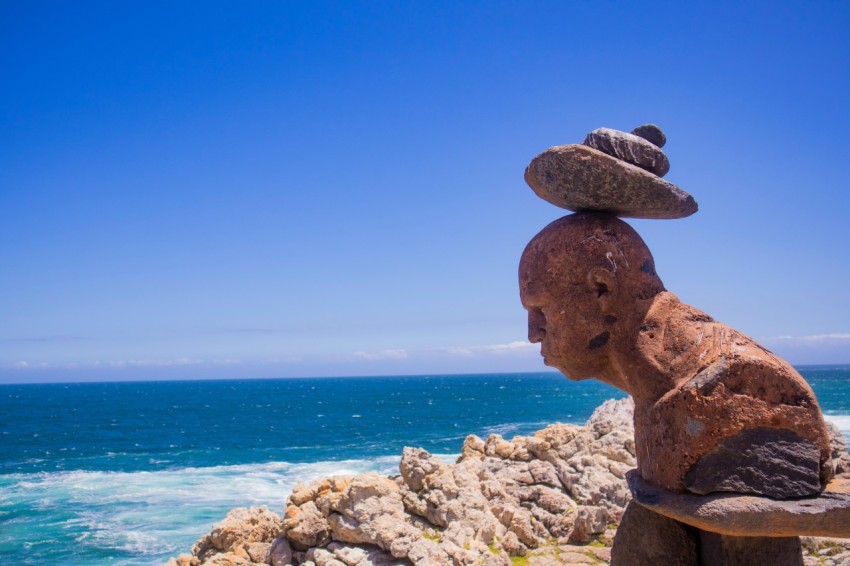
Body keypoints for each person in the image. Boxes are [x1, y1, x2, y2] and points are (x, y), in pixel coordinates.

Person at [519, 212, 833, 496]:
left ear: (601, 289)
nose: (533, 334)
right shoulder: (658, 391)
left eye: (541, 310)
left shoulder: (739, 381)